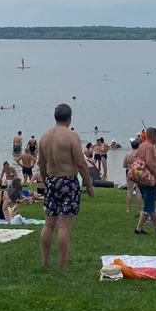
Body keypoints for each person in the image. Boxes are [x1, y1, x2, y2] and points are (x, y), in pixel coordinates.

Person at [37, 103, 94, 270]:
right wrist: (89, 185)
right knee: (64, 225)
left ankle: (45, 262)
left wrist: (46, 180)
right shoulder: (72, 136)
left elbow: (41, 163)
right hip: (68, 181)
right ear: (70, 118)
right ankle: (62, 266)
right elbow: (81, 163)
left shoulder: (44, 137)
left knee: (48, 224)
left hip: (52, 180)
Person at [132, 127, 156, 235]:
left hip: (140, 178)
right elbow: (149, 163)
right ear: (153, 136)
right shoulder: (149, 146)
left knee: (150, 203)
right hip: (148, 178)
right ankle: (138, 228)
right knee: (149, 201)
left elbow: (135, 156)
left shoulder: (142, 145)